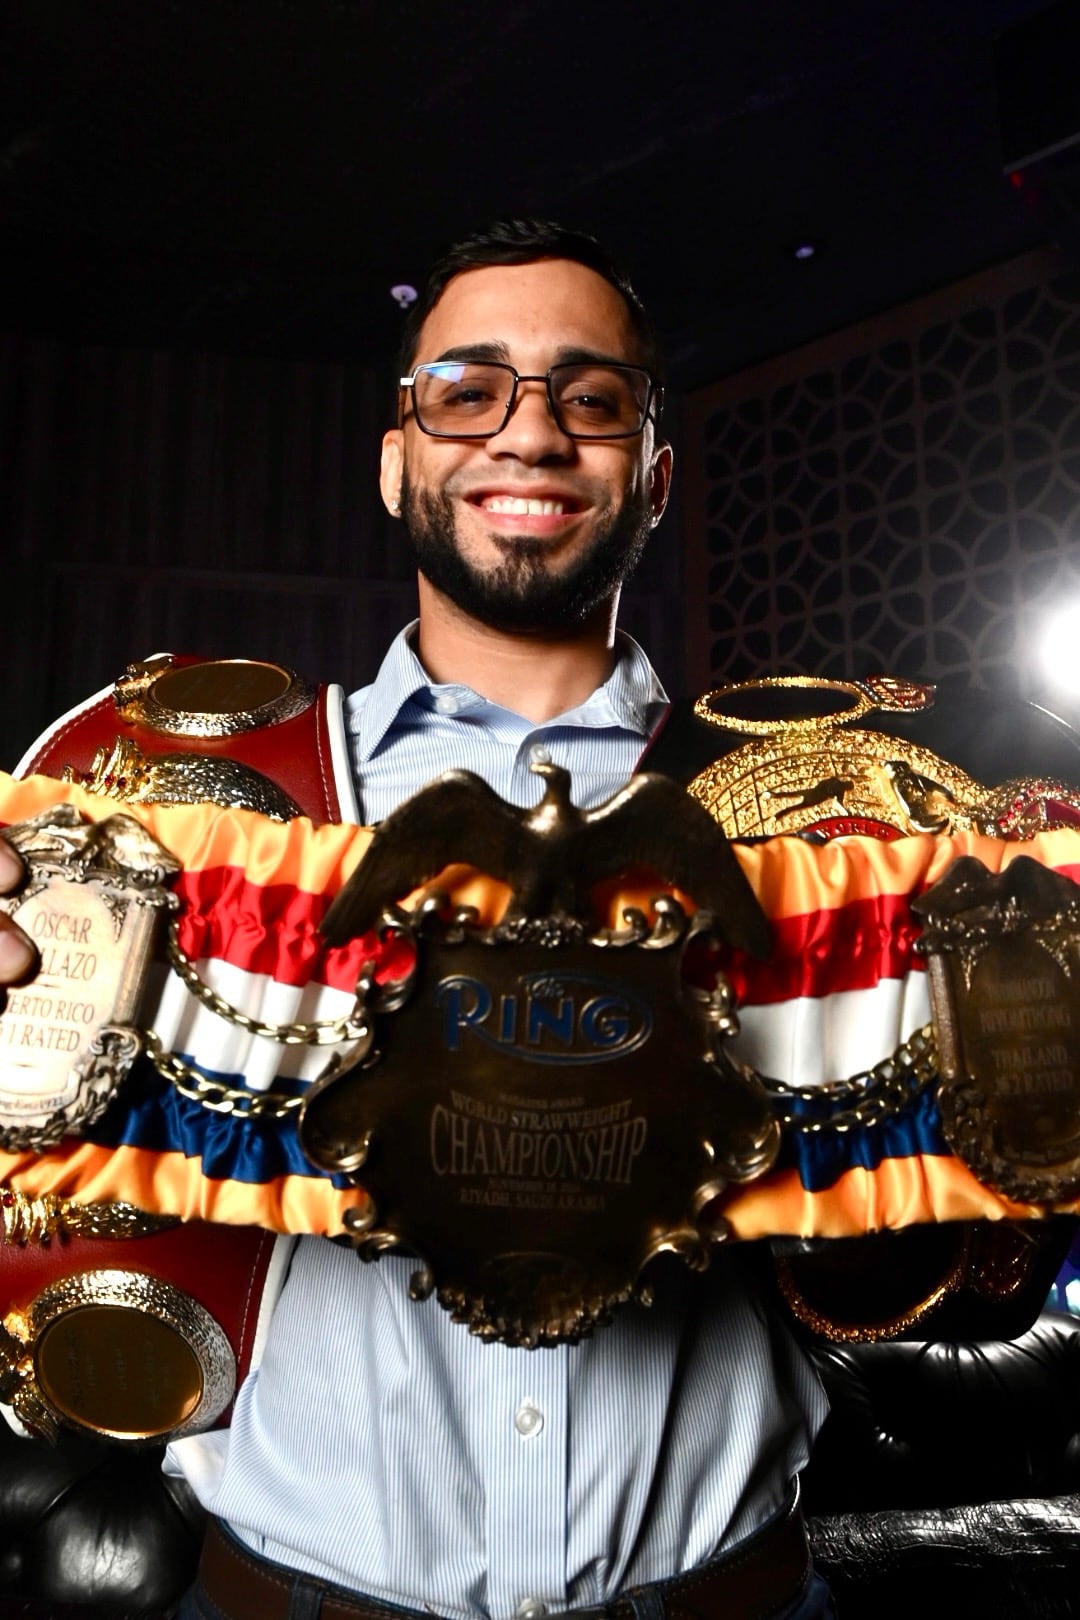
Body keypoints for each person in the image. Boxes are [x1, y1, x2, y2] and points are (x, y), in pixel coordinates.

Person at [3, 221, 834, 1620]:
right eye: (468, 390)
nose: (531, 433)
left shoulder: (819, 829)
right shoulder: (167, 810)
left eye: (591, 397)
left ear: (653, 475)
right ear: (399, 461)